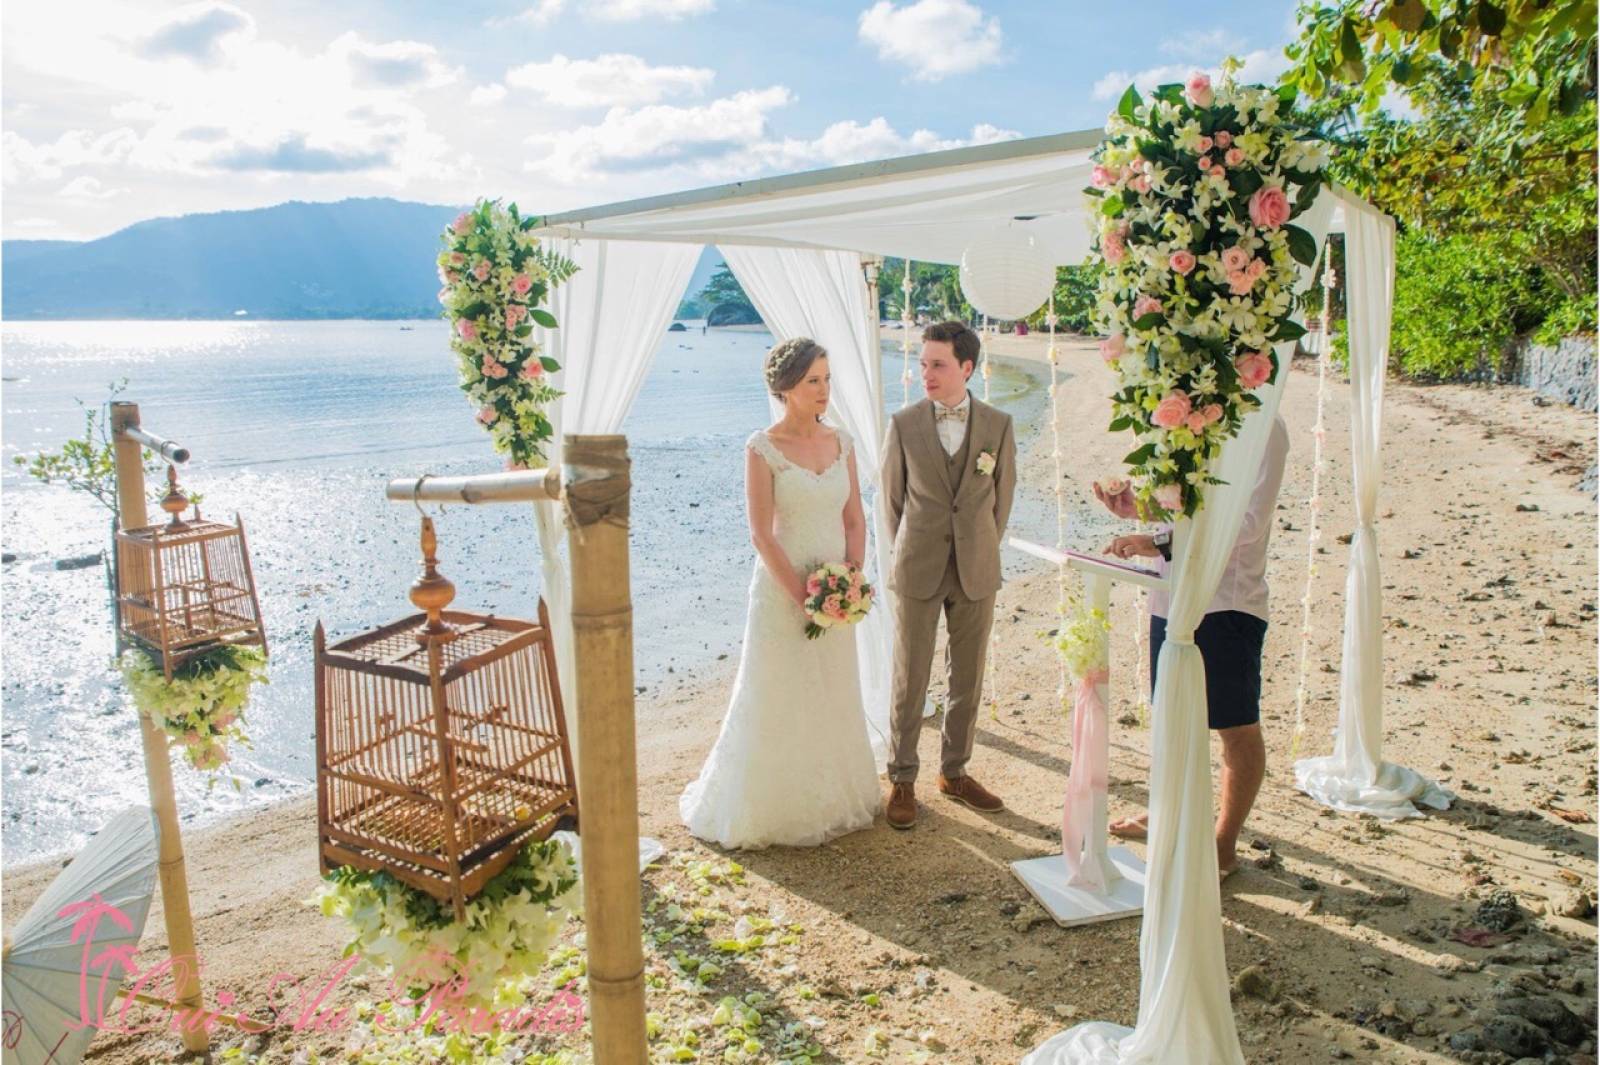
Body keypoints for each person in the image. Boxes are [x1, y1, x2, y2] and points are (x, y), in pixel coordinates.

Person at [679, 337, 881, 848]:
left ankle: (835, 793)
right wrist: (802, 597)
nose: (824, 390)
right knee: (778, 688)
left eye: (828, 379)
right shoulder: (761, 448)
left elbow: (854, 516)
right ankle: (774, 804)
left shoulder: (843, 443)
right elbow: (761, 534)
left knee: (832, 686)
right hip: (782, 590)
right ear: (787, 388)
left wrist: (851, 578)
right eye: (813, 381)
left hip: (836, 591)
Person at [1097, 413, 1290, 879]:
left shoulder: (1263, 426)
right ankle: (1169, 813)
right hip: (1171, 596)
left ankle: (1223, 842)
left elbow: (1246, 523)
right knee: (1171, 716)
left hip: (1228, 599)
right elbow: (1182, 509)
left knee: (1234, 726)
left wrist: (1159, 542)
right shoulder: (1182, 419)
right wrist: (1136, 509)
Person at [879, 321, 1017, 829]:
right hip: (918, 565)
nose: (926, 374)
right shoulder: (904, 423)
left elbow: (1002, 500)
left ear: (966, 368)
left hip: (977, 568)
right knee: (909, 676)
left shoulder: (999, 425)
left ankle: (954, 773)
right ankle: (902, 777)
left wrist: (977, 547)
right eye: (922, 364)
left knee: (968, 676)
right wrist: (912, 550)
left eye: (937, 364)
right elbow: (892, 503)